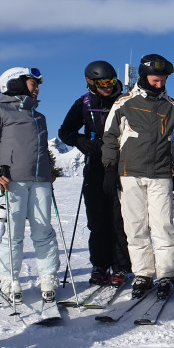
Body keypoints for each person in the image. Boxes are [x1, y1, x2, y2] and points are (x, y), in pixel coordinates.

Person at [101, 54, 174, 300]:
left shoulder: (172, 107)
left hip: (161, 174)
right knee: (135, 226)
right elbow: (110, 137)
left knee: (163, 226)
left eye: (163, 81)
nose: (160, 85)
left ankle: (167, 275)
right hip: (129, 174)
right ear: (143, 76)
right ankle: (142, 274)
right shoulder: (124, 103)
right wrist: (109, 168)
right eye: (155, 80)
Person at [0, 67, 60, 303]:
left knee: (43, 231)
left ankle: (48, 277)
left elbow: (40, 150)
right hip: (10, 181)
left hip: (40, 182)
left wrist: (48, 171)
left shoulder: (38, 116)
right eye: (34, 83)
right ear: (16, 84)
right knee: (12, 234)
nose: (38, 89)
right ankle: (9, 281)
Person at [58, 61, 131, 286]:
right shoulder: (85, 103)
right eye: (103, 83)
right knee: (97, 217)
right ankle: (100, 264)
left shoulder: (126, 101)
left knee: (120, 218)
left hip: (122, 164)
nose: (108, 87)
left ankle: (120, 266)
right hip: (95, 166)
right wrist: (80, 141)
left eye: (111, 81)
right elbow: (65, 131)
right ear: (90, 82)